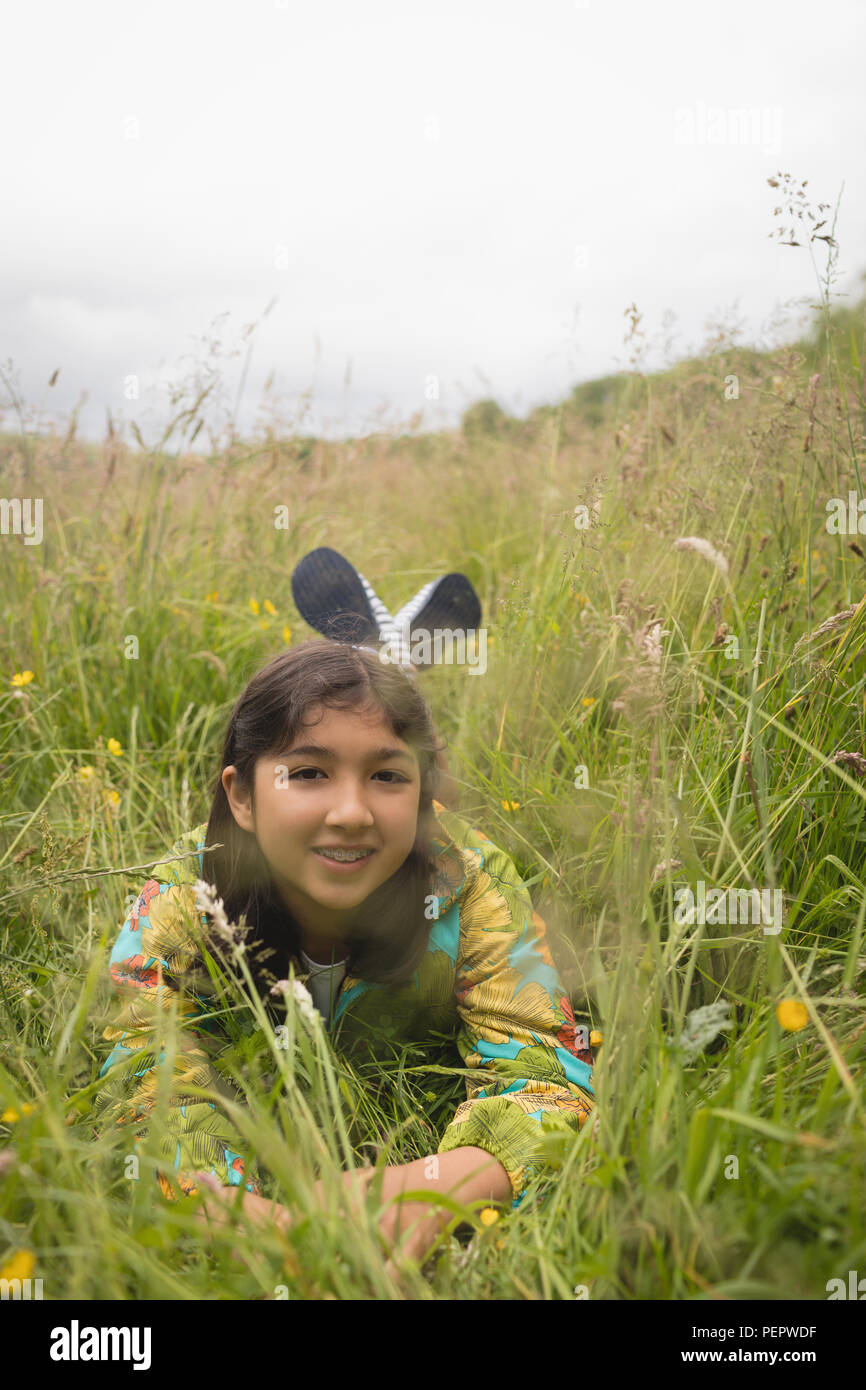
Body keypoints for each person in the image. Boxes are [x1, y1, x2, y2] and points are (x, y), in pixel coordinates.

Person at [94, 638, 596, 1272]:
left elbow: (550, 1074)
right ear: (243, 796)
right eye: (308, 773)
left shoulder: (469, 880)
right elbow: (144, 1085)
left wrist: (438, 1188)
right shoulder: (184, 898)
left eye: (388, 776)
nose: (353, 812)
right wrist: (239, 1216)